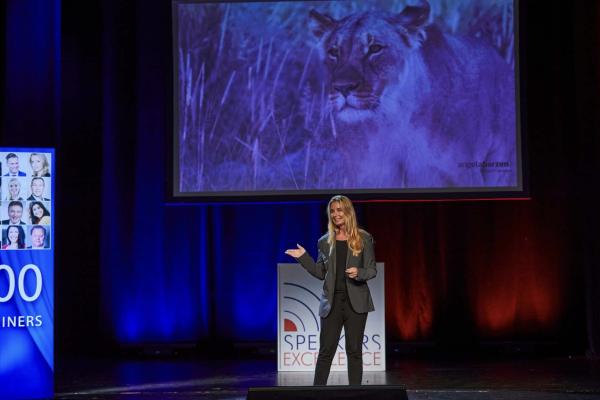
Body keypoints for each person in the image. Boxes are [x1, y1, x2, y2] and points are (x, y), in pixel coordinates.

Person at [285, 195, 377, 386]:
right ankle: (317, 394)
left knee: (354, 350)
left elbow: (371, 270)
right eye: (332, 211)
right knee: (326, 351)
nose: (336, 214)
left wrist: (358, 272)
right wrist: (304, 258)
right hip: (331, 303)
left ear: (348, 212)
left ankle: (355, 393)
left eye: (339, 210)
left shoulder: (364, 238)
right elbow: (320, 273)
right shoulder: (324, 242)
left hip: (356, 303)